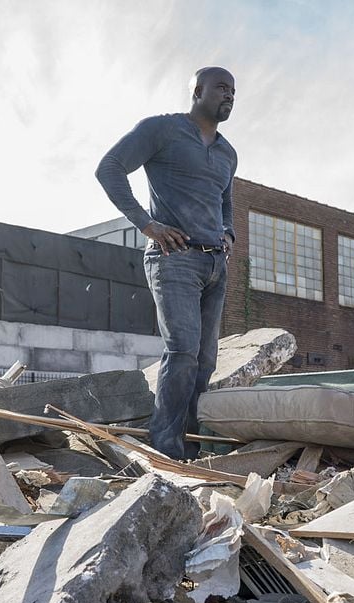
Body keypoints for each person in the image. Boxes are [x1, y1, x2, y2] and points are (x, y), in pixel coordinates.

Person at [95, 67, 237, 460]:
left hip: (215, 266)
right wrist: (147, 223)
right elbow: (109, 168)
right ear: (197, 91)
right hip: (174, 260)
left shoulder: (228, 152)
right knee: (182, 352)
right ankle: (166, 450)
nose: (229, 96)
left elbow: (225, 199)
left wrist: (229, 233)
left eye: (234, 91)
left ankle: (189, 446)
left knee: (205, 361)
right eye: (221, 88)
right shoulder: (161, 130)